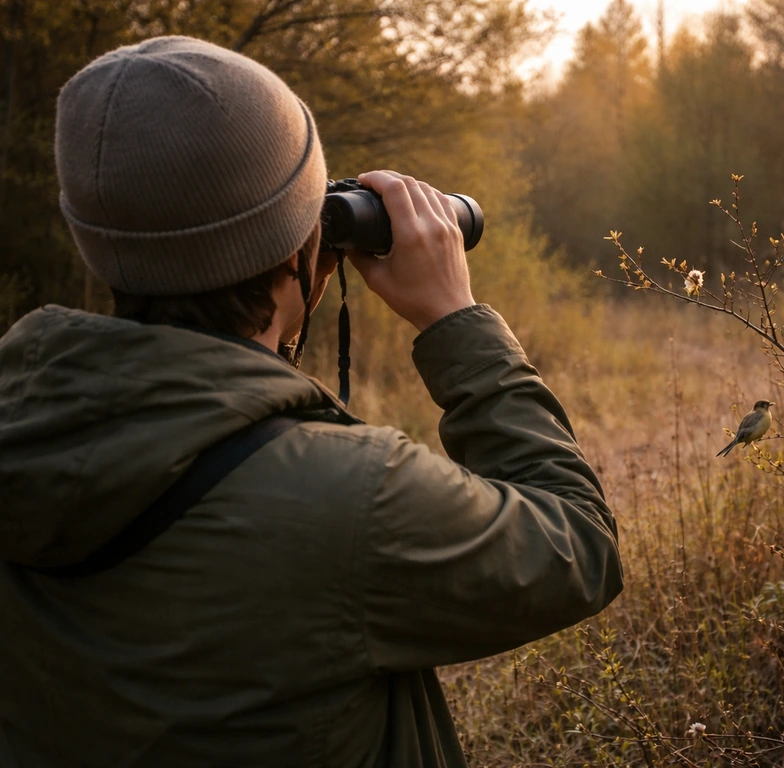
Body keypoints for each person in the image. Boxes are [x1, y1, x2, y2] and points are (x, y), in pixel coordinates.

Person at [0, 36, 622, 766]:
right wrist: (456, 318)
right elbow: (579, 546)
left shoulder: (24, 421)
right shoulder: (350, 495)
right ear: (299, 246)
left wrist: (276, 327)